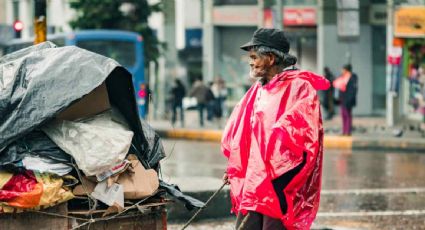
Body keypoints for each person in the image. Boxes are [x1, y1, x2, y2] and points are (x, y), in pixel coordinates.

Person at [221, 28, 330, 229]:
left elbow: (303, 141)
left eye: (254, 57)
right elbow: (246, 134)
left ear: (270, 58)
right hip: (255, 183)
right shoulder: (258, 89)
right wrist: (237, 166)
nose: (250, 62)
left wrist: (279, 183)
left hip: (278, 185)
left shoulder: (299, 88)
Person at [333, 64, 358, 136]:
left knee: (347, 115)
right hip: (343, 99)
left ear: (346, 70)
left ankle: (348, 131)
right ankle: (344, 131)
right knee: (343, 115)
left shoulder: (352, 78)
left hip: (348, 99)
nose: (342, 71)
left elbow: (353, 90)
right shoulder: (343, 77)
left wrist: (350, 99)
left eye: (343, 69)